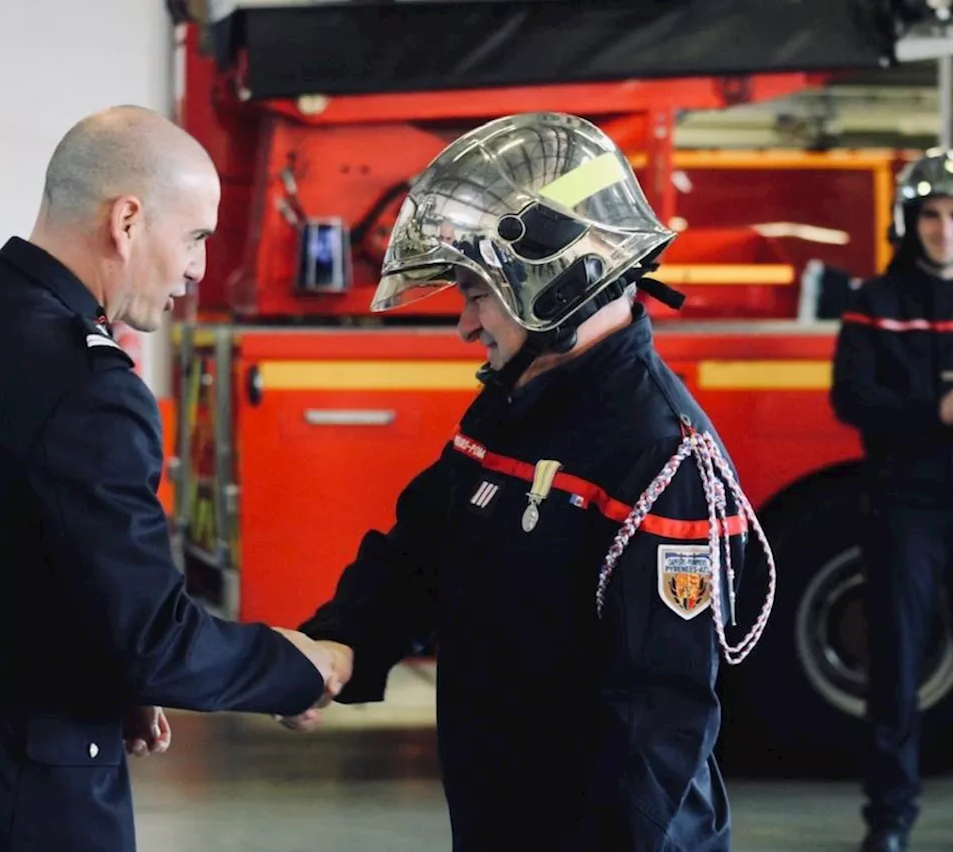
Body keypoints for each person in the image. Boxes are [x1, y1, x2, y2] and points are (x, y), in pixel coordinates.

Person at [0, 105, 348, 852]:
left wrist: (108, 678)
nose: (199, 268)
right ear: (128, 222)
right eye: (196, 236)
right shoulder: (88, 386)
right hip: (24, 812)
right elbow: (151, 639)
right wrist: (298, 667)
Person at [276, 111, 777, 851]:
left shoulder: (661, 459)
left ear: (554, 280)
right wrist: (341, 645)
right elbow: (421, 549)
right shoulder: (518, 401)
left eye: (477, 292)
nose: (465, 326)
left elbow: (657, 725)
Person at [830, 147, 953, 852]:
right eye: (931, 216)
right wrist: (933, 412)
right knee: (899, 663)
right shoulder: (875, 303)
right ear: (909, 223)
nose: (943, 230)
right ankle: (890, 820)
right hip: (904, 502)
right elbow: (851, 398)